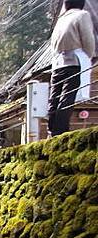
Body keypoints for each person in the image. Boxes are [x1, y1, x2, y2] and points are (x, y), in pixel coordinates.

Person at [48, 0, 95, 136]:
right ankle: (61, 130)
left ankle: (52, 128)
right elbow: (88, 39)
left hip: (57, 63)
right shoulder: (82, 15)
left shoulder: (60, 20)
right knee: (68, 96)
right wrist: (89, 55)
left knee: (55, 97)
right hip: (75, 61)